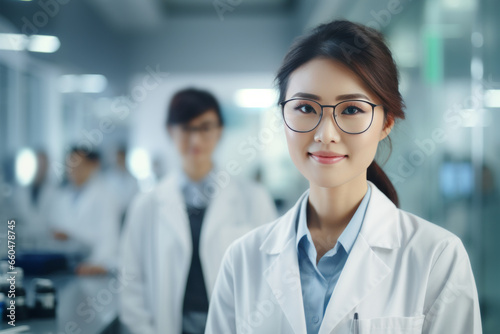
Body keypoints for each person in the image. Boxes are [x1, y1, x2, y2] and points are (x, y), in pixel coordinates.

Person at [205, 20, 482, 334]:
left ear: (386, 122)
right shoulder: (242, 260)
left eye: (351, 110)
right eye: (306, 107)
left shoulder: (436, 257)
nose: (325, 135)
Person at [119, 88, 277, 334]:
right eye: (186, 128)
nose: (195, 140)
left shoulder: (253, 198)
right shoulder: (146, 205)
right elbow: (130, 285)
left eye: (204, 127)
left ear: (220, 131)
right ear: (170, 131)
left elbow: (271, 276)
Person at [50, 147, 121, 275]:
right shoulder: (63, 196)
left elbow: (109, 240)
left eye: (78, 165)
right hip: (66, 266)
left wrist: (98, 263)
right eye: (69, 165)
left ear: (93, 165)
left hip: (94, 266)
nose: (72, 170)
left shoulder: (106, 196)